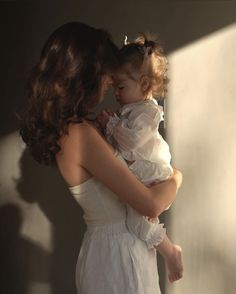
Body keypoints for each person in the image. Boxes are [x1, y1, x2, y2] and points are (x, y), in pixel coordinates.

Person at [20, 22, 182, 294]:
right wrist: (177, 177)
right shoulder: (80, 135)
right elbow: (151, 205)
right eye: (106, 74)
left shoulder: (80, 129)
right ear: (85, 74)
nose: (109, 83)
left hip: (121, 250)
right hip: (117, 259)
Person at [97, 34, 183, 283]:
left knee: (138, 223)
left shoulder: (147, 113)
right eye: (114, 87)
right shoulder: (131, 111)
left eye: (120, 87)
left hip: (151, 173)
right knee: (139, 221)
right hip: (141, 173)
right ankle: (166, 251)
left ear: (144, 85)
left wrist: (111, 124)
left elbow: (132, 142)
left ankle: (170, 252)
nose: (116, 92)